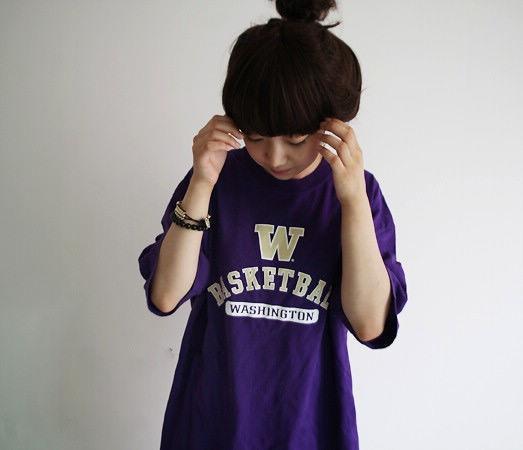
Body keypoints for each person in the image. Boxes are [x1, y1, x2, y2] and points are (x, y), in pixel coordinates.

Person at [138, 0, 408, 448]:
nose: (275, 156)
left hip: (309, 430)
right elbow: (165, 296)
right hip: (211, 426)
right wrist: (202, 181)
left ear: (333, 126)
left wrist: (352, 200)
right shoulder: (217, 180)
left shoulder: (356, 193)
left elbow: (370, 325)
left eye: (297, 139)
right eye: (257, 136)